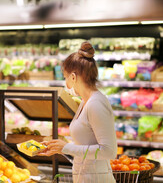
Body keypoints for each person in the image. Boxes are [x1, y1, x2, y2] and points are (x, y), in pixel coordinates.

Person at [39, 41, 117, 182]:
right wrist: (60, 147)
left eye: (65, 77)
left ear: (73, 77)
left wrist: (67, 147)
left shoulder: (96, 103)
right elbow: (87, 143)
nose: (65, 83)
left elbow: (109, 151)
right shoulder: (84, 102)